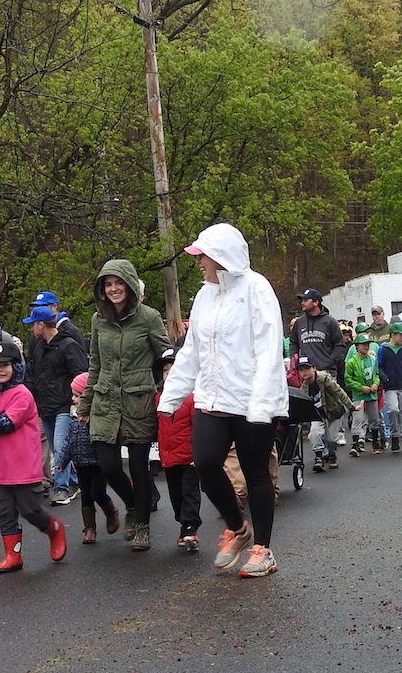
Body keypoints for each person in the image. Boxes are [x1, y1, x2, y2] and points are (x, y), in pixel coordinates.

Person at [160, 224, 289, 578]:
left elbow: (267, 350)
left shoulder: (257, 289)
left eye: (203, 256)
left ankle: (263, 549)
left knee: (255, 473)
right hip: (213, 398)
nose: (199, 263)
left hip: (251, 401)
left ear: (221, 257)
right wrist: (170, 397)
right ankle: (237, 527)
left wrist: (262, 404)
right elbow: (192, 351)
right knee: (203, 462)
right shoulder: (204, 296)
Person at [75, 259, 171, 552]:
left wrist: (167, 386)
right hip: (105, 401)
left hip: (138, 399)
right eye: (108, 284)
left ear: (129, 285)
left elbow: (165, 354)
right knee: (109, 466)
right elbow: (95, 364)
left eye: (118, 283)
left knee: (140, 468)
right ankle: (131, 503)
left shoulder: (149, 317)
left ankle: (142, 526)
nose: (113, 289)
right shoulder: (97, 319)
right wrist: (85, 405)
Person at [0, 341, 66, 573]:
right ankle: (12, 555)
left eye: (5, 364)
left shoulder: (22, 394)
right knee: (5, 513)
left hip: (23, 468)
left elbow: (7, 423)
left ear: (16, 366)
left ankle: (53, 528)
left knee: (30, 510)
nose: (0, 369)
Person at [23, 304, 89, 506]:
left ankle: (61, 488)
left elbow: (81, 373)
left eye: (33, 324)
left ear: (41, 324)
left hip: (63, 404)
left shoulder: (69, 345)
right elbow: (33, 373)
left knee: (60, 447)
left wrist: (76, 400)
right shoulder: (39, 346)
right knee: (54, 446)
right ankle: (76, 480)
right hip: (45, 405)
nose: (32, 329)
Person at [54, 372, 119, 544]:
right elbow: (68, 442)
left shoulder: (98, 417)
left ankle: (110, 511)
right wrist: (62, 462)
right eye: (73, 396)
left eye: (77, 396)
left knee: (97, 492)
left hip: (98, 463)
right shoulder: (73, 419)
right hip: (80, 463)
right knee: (86, 496)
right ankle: (89, 528)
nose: (74, 400)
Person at [155, 349, 202, 551]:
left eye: (174, 369)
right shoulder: (158, 398)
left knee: (189, 491)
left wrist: (198, 452)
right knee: (175, 494)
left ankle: (190, 529)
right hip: (168, 456)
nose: (170, 373)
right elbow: (155, 425)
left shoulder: (191, 398)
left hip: (189, 457)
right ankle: (184, 525)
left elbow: (199, 427)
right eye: (166, 370)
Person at [296, 356, 352, 472]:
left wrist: (351, 406)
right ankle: (319, 458)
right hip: (318, 414)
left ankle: (332, 455)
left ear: (314, 368)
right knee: (314, 434)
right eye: (301, 370)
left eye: (307, 368)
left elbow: (339, 392)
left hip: (333, 412)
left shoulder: (324, 378)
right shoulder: (305, 386)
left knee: (331, 438)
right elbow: (302, 403)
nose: (304, 372)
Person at [290, 288, 347, 387]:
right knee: (307, 402)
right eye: (302, 301)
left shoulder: (330, 321)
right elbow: (293, 342)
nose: (302, 303)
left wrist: (328, 361)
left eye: (306, 300)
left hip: (327, 374)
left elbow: (340, 345)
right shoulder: (299, 322)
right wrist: (295, 358)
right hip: (307, 375)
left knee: (330, 402)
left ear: (316, 302)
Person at [377, 323, 402, 453]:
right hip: (390, 385)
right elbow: (380, 366)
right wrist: (383, 376)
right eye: (401, 335)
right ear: (393, 335)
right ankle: (394, 435)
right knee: (393, 409)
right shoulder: (383, 349)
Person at [344, 334, 383, 455]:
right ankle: (356, 444)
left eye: (368, 344)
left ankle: (375, 442)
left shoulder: (372, 359)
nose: (366, 347)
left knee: (374, 418)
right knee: (358, 418)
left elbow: (376, 374)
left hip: (372, 394)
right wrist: (360, 387)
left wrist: (376, 384)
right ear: (357, 346)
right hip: (359, 395)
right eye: (364, 344)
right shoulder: (352, 362)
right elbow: (348, 379)